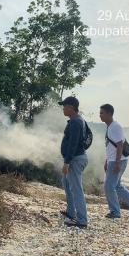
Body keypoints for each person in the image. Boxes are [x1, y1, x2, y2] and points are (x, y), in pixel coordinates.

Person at [99, 104, 129, 219]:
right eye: (100, 113)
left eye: (102, 113)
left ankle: (115, 212)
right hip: (114, 160)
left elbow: (119, 145)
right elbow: (110, 146)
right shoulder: (111, 126)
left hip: (117, 161)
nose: (100, 115)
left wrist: (116, 163)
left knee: (109, 186)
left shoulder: (115, 127)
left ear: (109, 113)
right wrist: (107, 161)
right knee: (117, 186)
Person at [59, 96, 89, 228]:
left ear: (71, 107)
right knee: (66, 182)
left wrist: (67, 162)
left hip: (75, 159)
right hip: (75, 158)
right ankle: (71, 212)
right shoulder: (76, 120)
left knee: (76, 188)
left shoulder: (76, 122)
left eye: (64, 106)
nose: (63, 109)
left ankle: (82, 220)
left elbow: (73, 144)